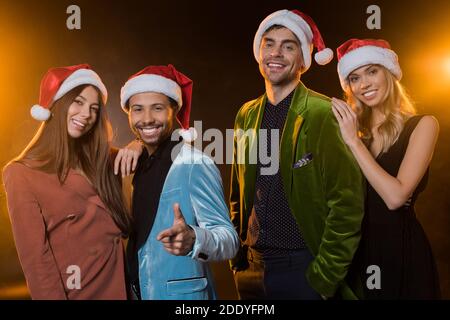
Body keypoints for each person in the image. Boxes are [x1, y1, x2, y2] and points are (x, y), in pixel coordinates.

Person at [229, 9, 365, 300]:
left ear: (303, 60)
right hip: (250, 271)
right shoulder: (246, 113)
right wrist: (237, 260)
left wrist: (323, 279)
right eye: (269, 43)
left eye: (288, 46)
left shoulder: (323, 112)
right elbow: (238, 193)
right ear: (259, 51)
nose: (276, 53)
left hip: (303, 272)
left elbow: (347, 204)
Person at [2, 64, 131, 299]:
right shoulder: (20, 174)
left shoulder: (103, 160)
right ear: (59, 104)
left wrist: (138, 145)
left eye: (94, 108)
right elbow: (36, 261)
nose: (86, 114)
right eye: (79, 102)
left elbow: (150, 153)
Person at [332, 38, 441, 299]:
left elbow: (395, 197)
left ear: (389, 73)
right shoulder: (356, 133)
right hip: (356, 253)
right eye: (355, 78)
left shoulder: (423, 125)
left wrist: (353, 142)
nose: (364, 84)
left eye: (372, 71)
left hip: (401, 251)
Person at [118, 64, 239, 300]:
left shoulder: (195, 163)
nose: (147, 119)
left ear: (174, 110)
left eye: (158, 108)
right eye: (138, 109)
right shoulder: (134, 163)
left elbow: (229, 239)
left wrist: (195, 238)